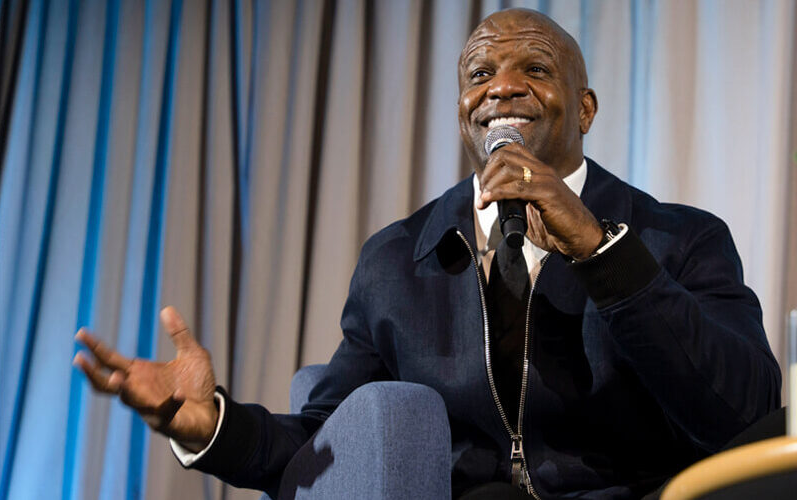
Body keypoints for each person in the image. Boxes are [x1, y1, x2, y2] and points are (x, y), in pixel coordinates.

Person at [74, 8, 782, 499]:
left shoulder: (678, 237)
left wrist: (601, 252)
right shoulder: (395, 260)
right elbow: (331, 447)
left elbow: (743, 407)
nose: (502, 86)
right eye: (480, 75)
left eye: (534, 68)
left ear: (585, 107)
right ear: (463, 110)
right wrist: (213, 427)